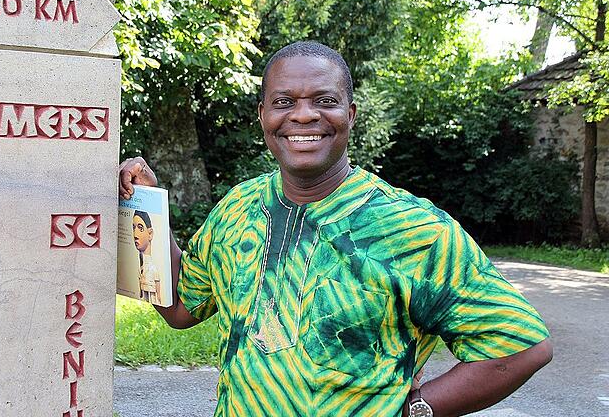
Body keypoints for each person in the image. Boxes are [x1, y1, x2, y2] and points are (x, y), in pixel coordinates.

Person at [118, 41, 552, 417]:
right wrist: (145, 210)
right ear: (263, 114)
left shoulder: (414, 228)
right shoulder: (237, 208)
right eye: (284, 102)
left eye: (324, 100)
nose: (303, 116)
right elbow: (180, 309)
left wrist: (419, 409)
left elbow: (521, 347)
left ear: (351, 113)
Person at [133, 210, 161, 305]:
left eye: (140, 228)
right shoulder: (140, 267)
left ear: (150, 234)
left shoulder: (153, 268)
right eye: (133, 228)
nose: (135, 235)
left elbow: (158, 292)